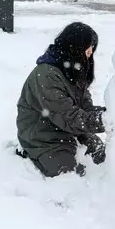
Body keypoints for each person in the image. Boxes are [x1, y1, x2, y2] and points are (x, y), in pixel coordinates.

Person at [16, 22, 106, 177]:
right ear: (74, 46)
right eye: (88, 46)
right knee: (70, 175)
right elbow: (67, 116)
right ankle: (28, 151)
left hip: (67, 129)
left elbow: (85, 105)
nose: (91, 51)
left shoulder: (73, 68)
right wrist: (102, 120)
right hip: (43, 135)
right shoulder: (47, 74)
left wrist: (110, 114)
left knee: (101, 154)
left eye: (93, 46)